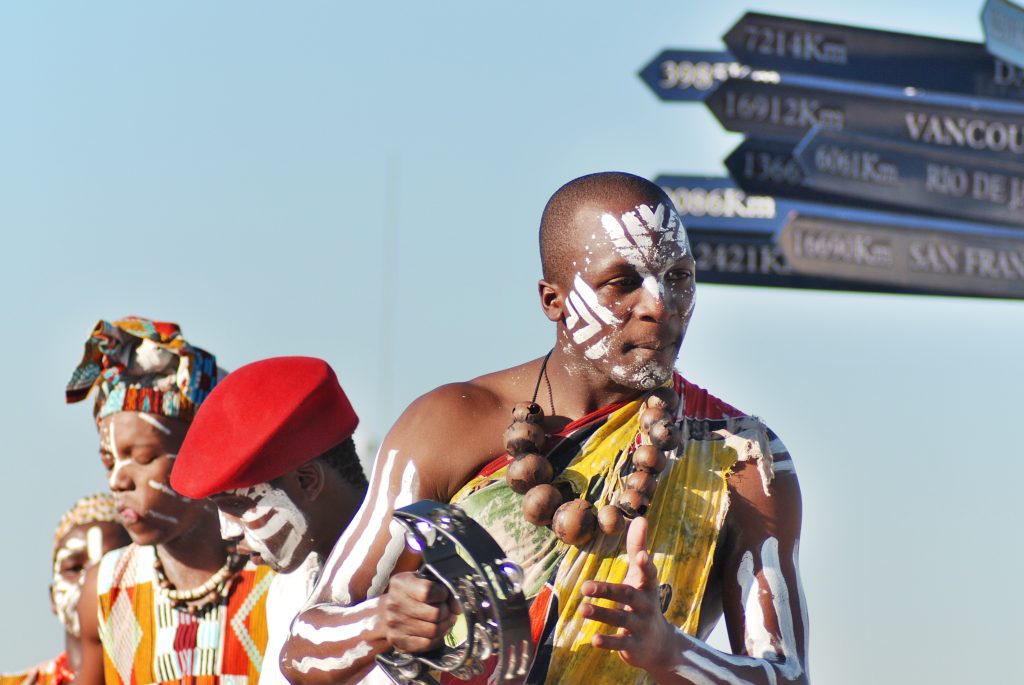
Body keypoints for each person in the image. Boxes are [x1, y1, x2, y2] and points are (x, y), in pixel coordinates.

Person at [280, 172, 810, 685]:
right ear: (552, 300)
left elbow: (786, 675)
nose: (659, 306)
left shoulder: (743, 458)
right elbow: (303, 646)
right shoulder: (447, 425)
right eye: (623, 283)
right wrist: (381, 622)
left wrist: (670, 653)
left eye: (678, 277)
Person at [66, 317, 274, 685]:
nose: (119, 480)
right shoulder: (105, 590)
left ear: (207, 453)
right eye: (109, 461)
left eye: (144, 458)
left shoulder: (276, 578)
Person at [168, 356, 371, 685]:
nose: (227, 532)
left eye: (236, 504)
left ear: (306, 481)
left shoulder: (424, 562)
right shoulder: (286, 592)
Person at [0, 494, 131, 685]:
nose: (90, 582)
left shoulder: (170, 674)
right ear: (53, 596)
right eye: (75, 568)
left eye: (109, 566)